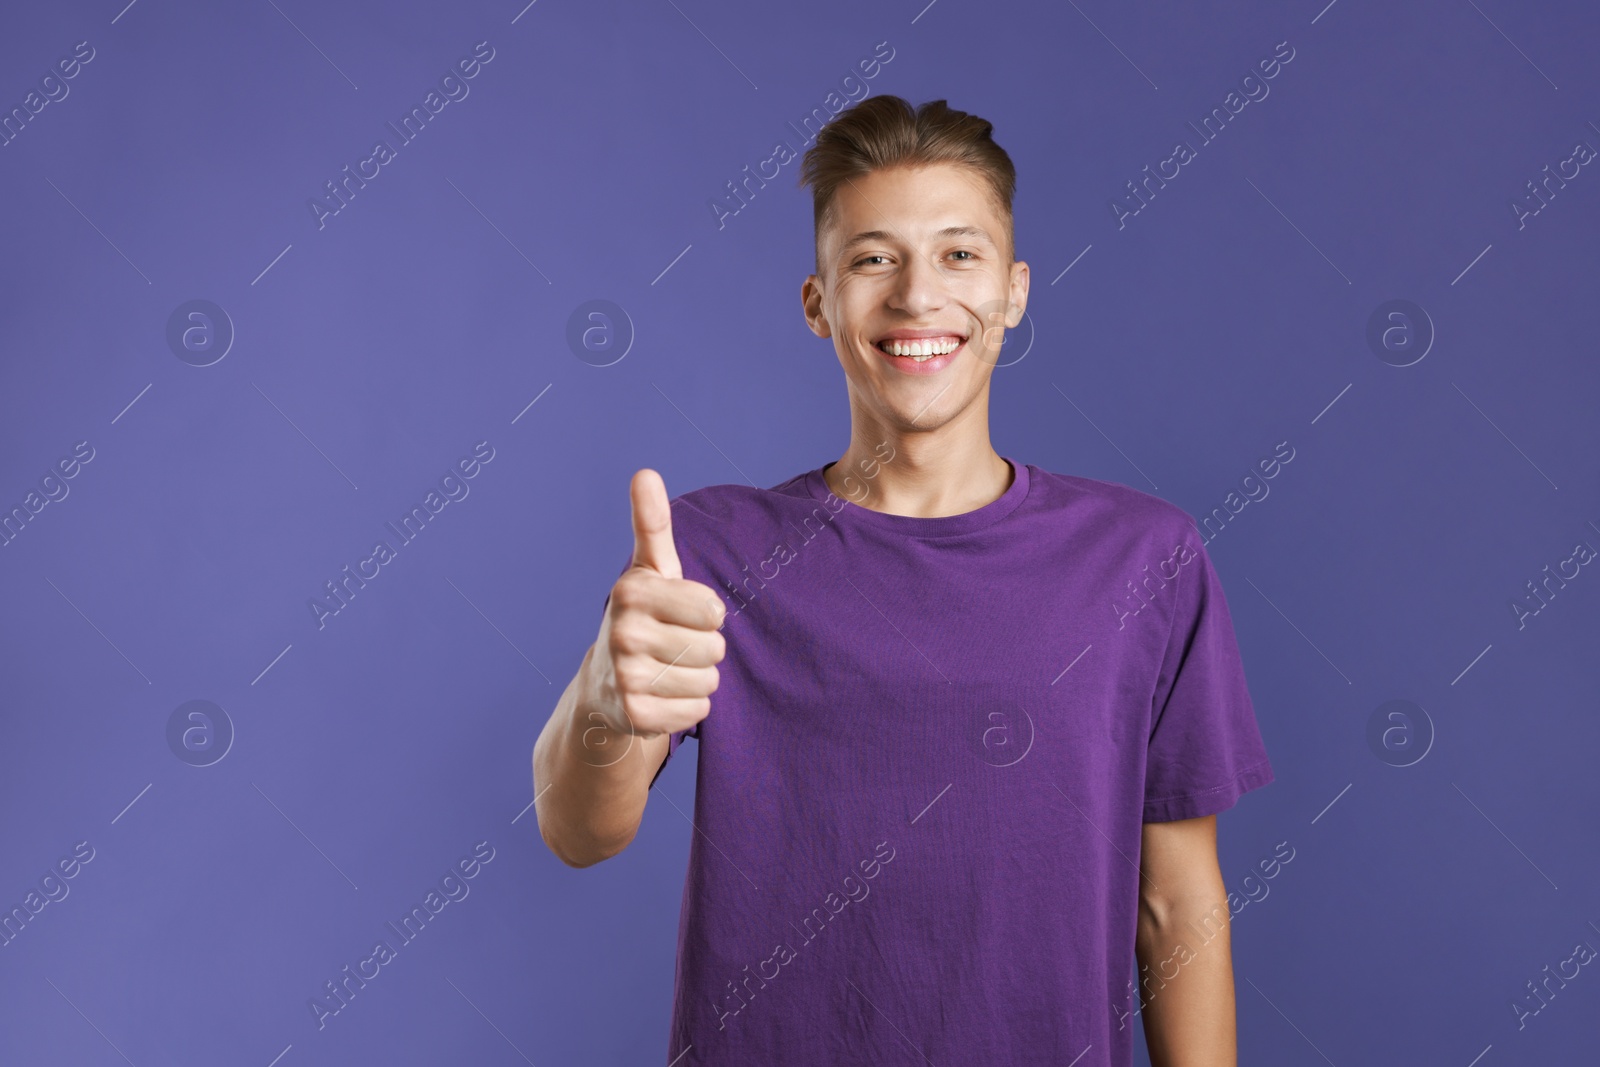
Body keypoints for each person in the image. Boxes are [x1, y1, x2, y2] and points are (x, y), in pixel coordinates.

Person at [532, 94, 1275, 1067]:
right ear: (819, 302)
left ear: (1013, 291)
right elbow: (579, 828)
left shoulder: (1144, 558)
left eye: (958, 255)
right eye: (873, 257)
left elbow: (1173, 900)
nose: (917, 296)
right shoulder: (708, 551)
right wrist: (603, 698)